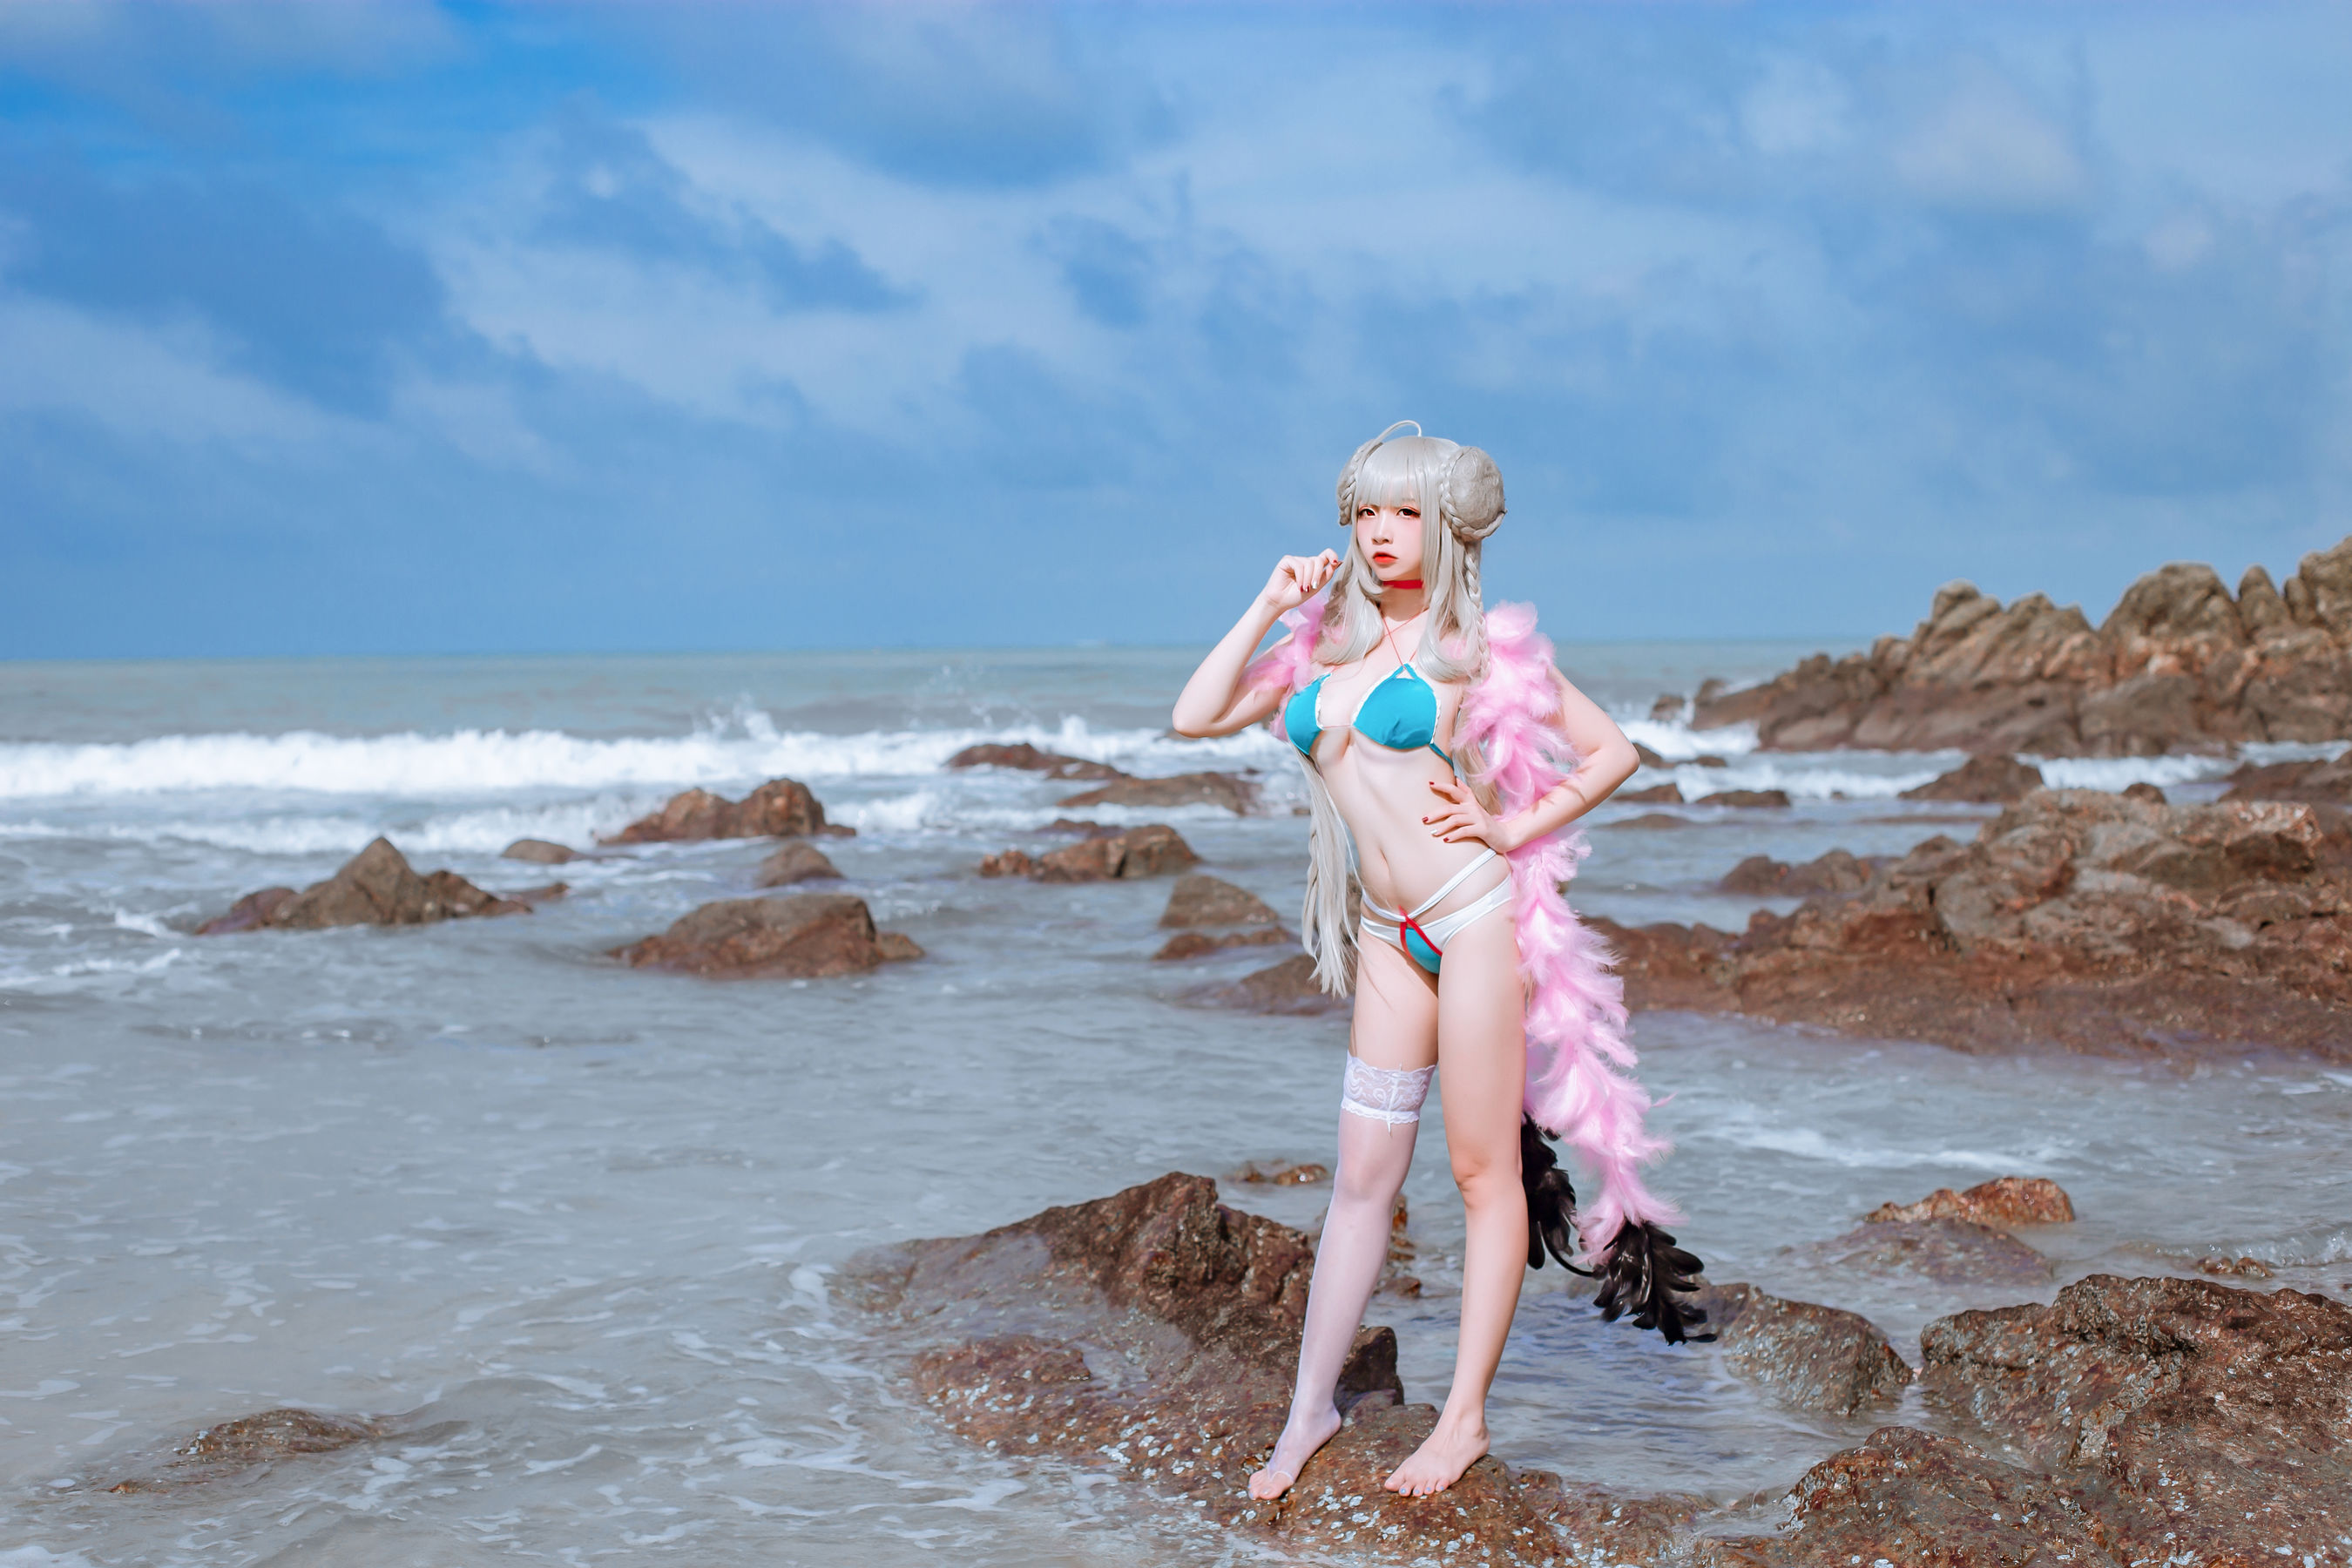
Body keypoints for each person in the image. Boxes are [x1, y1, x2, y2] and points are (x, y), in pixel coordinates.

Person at [1171, 422, 1702, 1500]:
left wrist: (1512, 828)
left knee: (1478, 1172)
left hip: (1470, 922)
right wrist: (1269, 601)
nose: (1380, 532)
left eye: (1405, 512)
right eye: (1366, 511)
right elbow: (1193, 716)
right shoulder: (1321, 649)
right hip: (1386, 932)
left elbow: (1613, 751)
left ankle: (1464, 1421)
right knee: (1361, 1180)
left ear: (1448, 527)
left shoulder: (1479, 653)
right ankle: (1310, 1409)